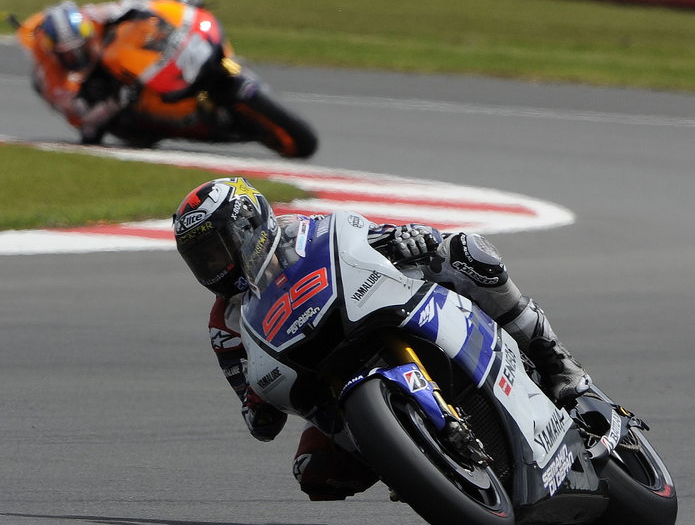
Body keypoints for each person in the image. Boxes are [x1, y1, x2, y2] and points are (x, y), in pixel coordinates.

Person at [173, 176, 592, 501]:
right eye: (203, 259)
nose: (215, 265)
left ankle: (552, 356)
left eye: (219, 249)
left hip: (371, 310)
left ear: (249, 227)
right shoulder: (224, 324)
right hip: (326, 384)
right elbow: (251, 405)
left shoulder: (299, 230)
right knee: (313, 471)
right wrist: (257, 405)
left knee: (465, 251)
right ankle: (415, 465)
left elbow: (360, 238)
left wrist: (403, 237)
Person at [13, 0, 153, 143]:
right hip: (81, 94)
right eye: (67, 55)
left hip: (103, 53)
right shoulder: (51, 72)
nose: (76, 57)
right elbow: (82, 117)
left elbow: (137, 3)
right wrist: (115, 102)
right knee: (90, 129)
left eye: (80, 49)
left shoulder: (92, 17)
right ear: (55, 53)